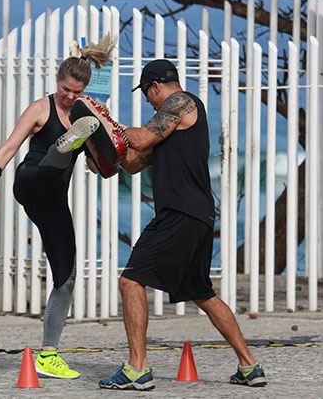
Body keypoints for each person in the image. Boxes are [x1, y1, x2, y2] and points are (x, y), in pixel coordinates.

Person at [98, 59, 266, 391]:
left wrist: (106, 123)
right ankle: (250, 367)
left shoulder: (182, 102)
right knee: (202, 292)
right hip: (198, 215)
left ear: (156, 87)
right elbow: (133, 163)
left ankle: (137, 369)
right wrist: (101, 152)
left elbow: (142, 139)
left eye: (147, 94)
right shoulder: (169, 126)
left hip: (180, 212)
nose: (147, 100)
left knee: (131, 281)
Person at [0, 35, 116, 379]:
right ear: (58, 81)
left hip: (52, 201)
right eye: (66, 89)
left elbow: (99, 165)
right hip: (30, 180)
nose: (70, 96)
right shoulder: (41, 108)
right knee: (57, 155)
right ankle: (64, 146)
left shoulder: (87, 112)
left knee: (66, 277)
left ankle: (48, 355)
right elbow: (10, 146)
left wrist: (105, 159)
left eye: (77, 93)